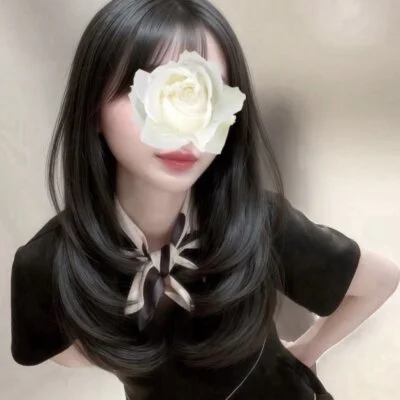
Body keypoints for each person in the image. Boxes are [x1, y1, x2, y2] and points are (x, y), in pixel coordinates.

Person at [10, 1, 399, 399]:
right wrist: (118, 345)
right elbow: (54, 349)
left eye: (204, 95)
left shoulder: (256, 221)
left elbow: (379, 279)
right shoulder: (48, 262)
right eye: (145, 89)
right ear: (92, 106)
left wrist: (305, 351)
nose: (181, 123)